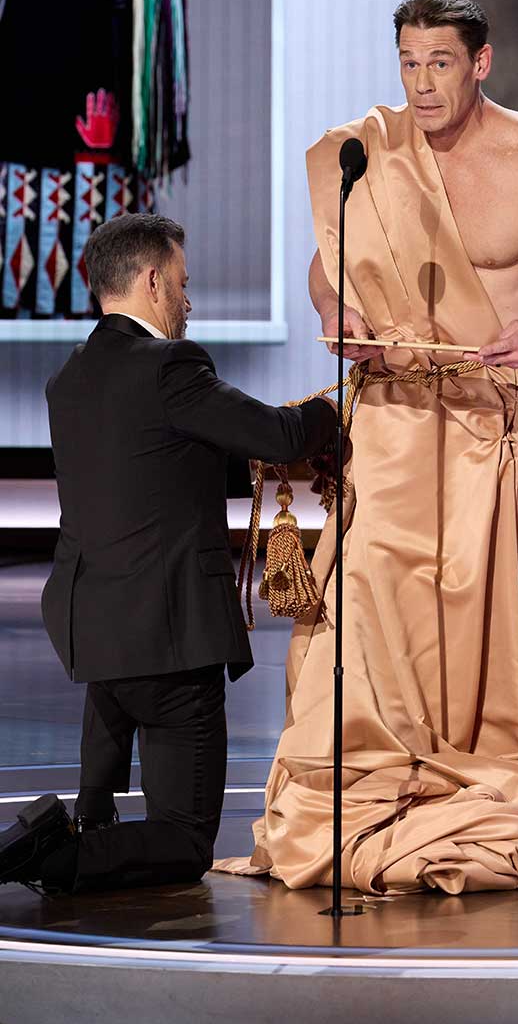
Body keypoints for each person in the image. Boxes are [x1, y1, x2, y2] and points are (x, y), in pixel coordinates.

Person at [216, 0, 518, 894]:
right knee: (368, 590)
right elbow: (327, 263)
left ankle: (514, 779)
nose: (420, 84)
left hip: (516, 412)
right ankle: (385, 770)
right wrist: (337, 315)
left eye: (440, 63)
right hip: (400, 411)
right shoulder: (371, 153)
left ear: (481, 63)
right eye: (409, 63)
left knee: (515, 598)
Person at [0, 213, 337, 893]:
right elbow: (276, 434)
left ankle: (62, 833)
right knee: (184, 840)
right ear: (153, 281)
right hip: (168, 637)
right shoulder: (172, 367)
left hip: (94, 631)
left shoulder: (71, 378)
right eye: (183, 284)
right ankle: (40, 853)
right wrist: (335, 414)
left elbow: (151, 469)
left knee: (109, 824)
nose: (190, 301)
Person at [0, 0, 201, 317]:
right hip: (34, 35)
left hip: (114, 34)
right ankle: (26, 301)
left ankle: (123, 306)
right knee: (26, 155)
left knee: (112, 156)